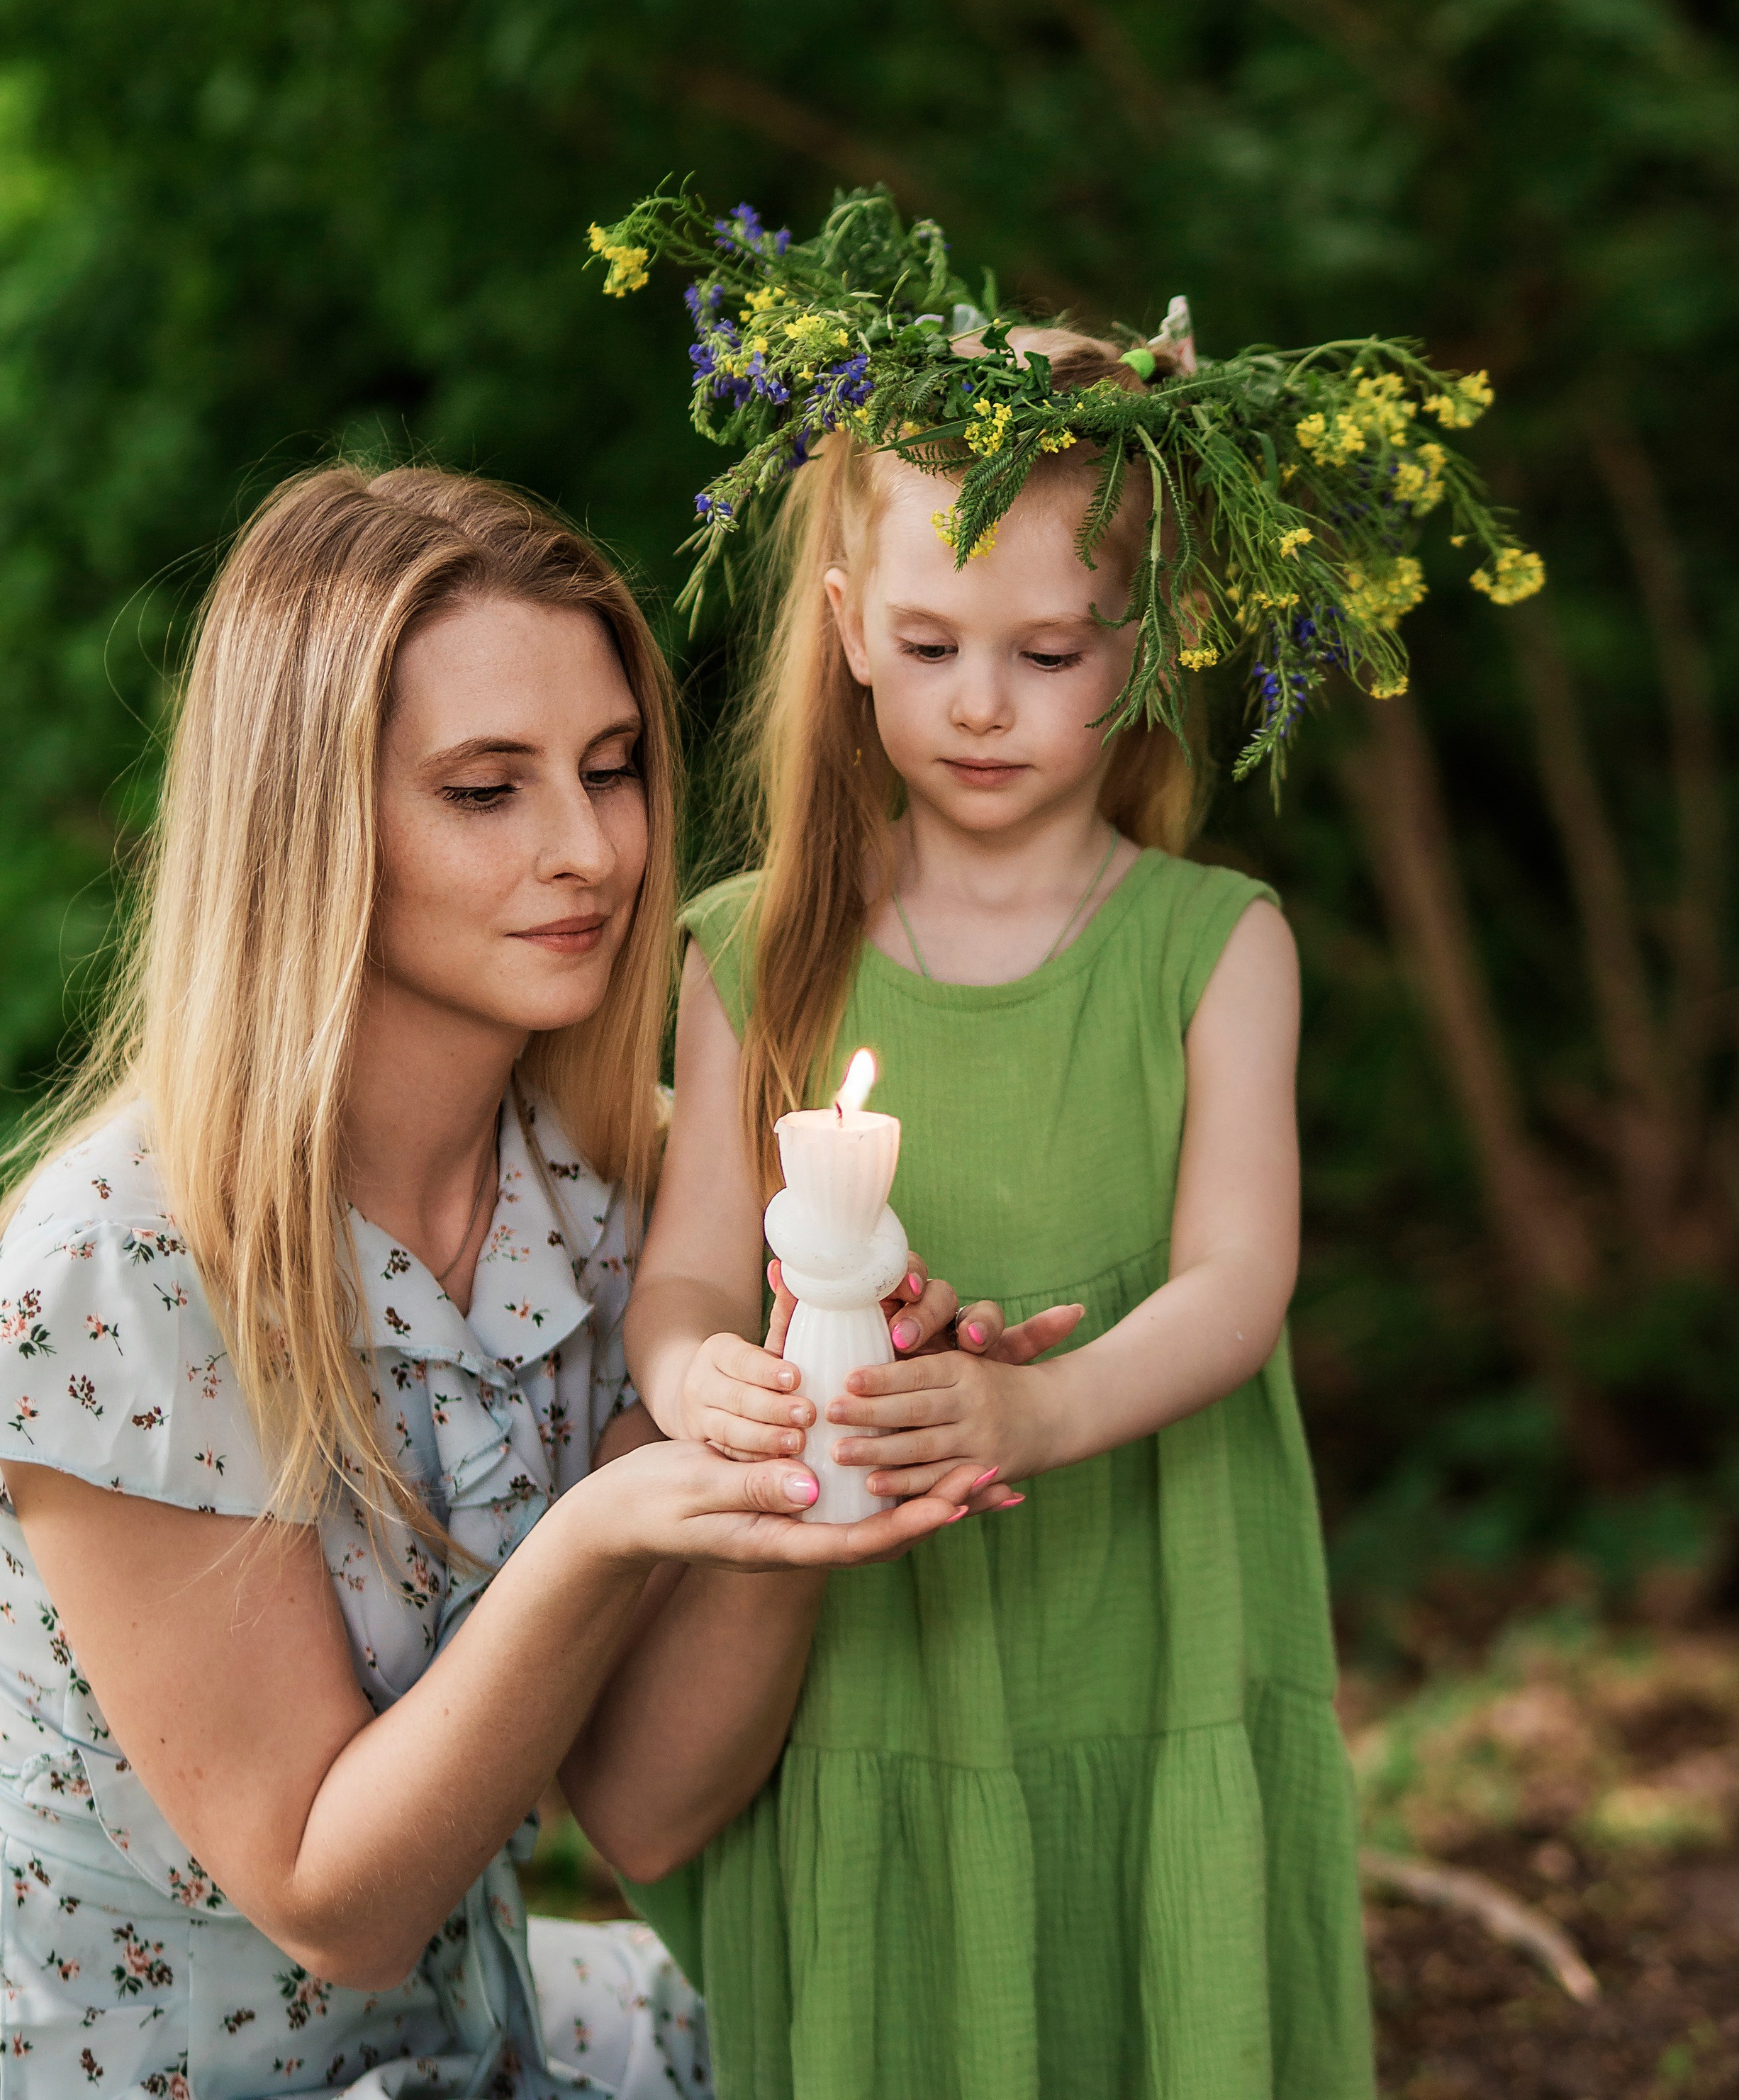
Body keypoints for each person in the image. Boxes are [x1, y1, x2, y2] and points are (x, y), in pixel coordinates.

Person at [596, 185, 1533, 2100]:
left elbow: (1238, 1284)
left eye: (1048, 649)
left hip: (1150, 1632)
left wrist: (1035, 1412)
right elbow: (688, 1272)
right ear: (850, 632)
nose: (984, 704)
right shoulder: (751, 950)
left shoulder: (1215, 945)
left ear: (1159, 634)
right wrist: (706, 1382)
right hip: (876, 1654)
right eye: (932, 644)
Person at [0, 464, 1003, 2100]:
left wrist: (805, 1439)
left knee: (899, 2023)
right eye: (487, 789)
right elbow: (340, 1902)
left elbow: (651, 1804)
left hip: (482, 2037)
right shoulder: (114, 1279)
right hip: (145, 2077)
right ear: (308, 822)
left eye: (609, 771)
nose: (589, 849)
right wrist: (610, 1521)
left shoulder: (631, 1198)